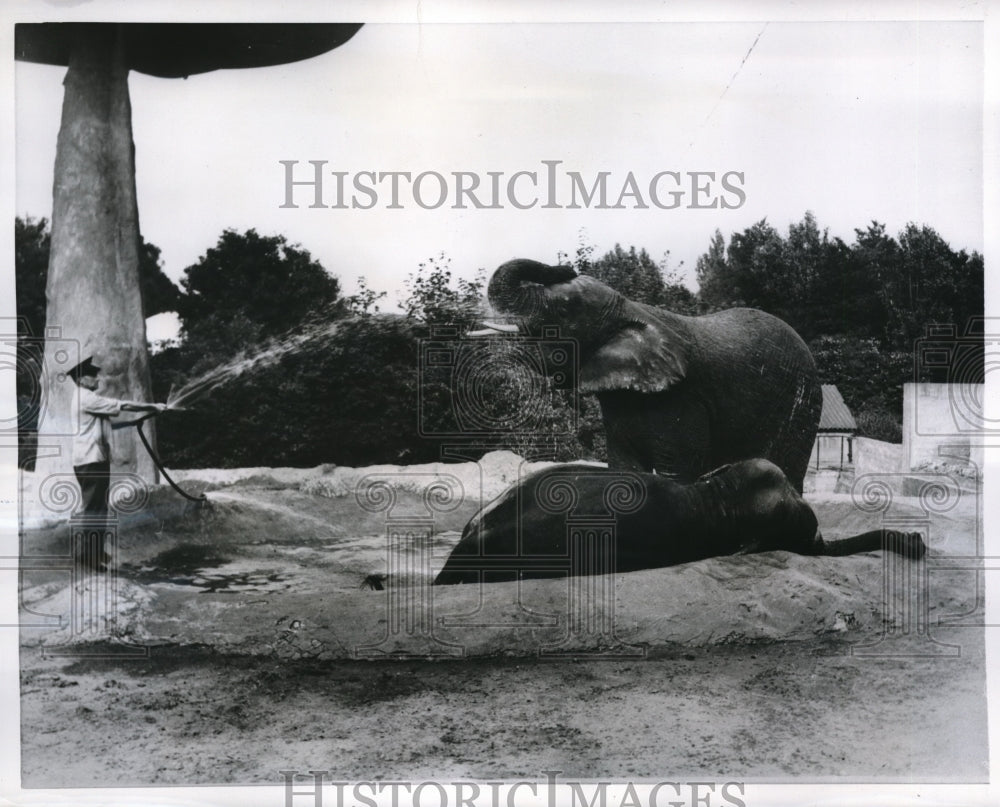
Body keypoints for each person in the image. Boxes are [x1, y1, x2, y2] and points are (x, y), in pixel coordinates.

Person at [69, 356, 167, 571]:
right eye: (93, 376)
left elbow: (107, 424)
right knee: (95, 510)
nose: (98, 379)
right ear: (82, 380)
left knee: (98, 507)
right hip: (91, 460)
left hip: (91, 459)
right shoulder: (87, 398)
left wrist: (134, 422)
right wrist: (153, 406)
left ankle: (92, 552)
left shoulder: (83, 399)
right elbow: (124, 405)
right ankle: (88, 557)